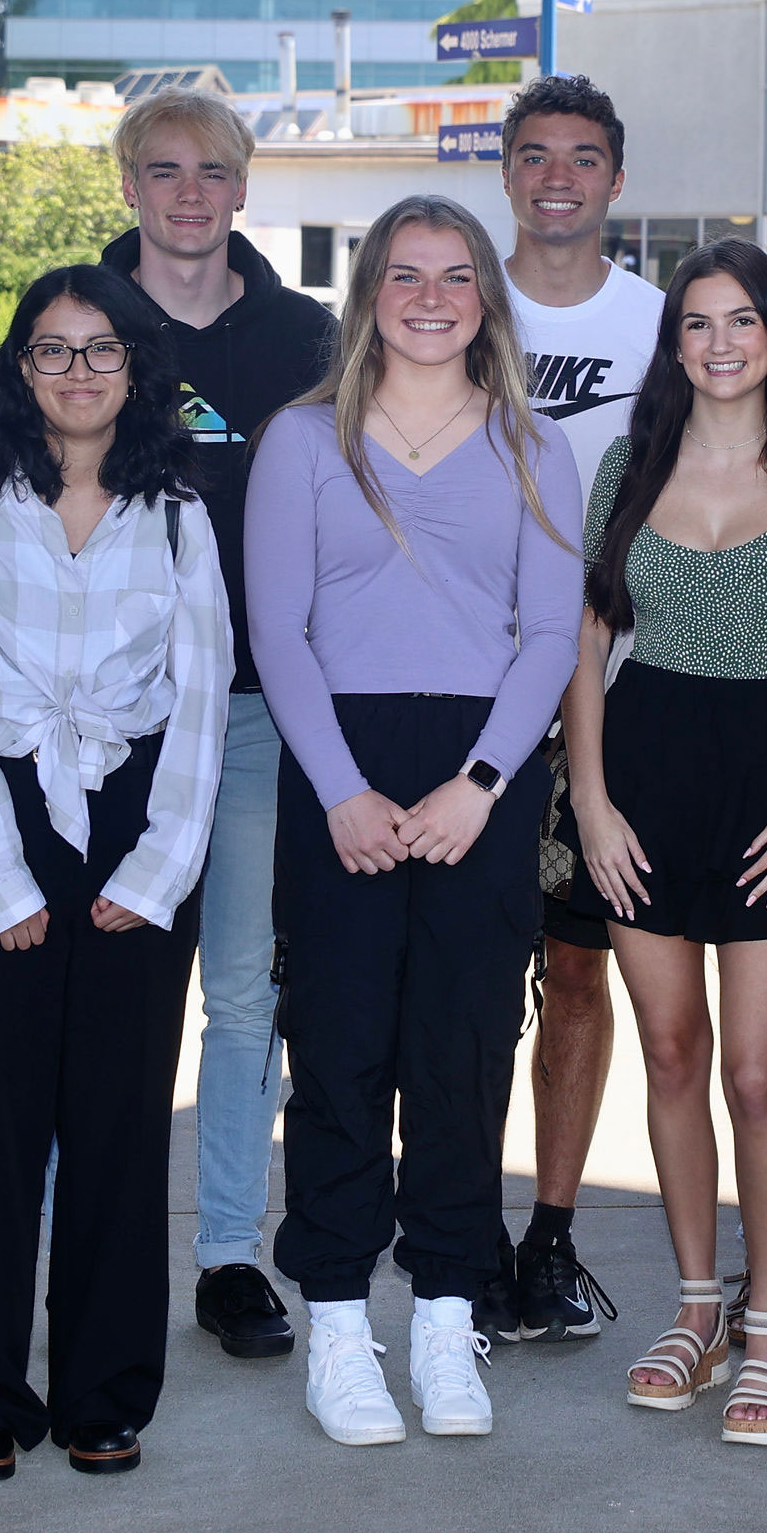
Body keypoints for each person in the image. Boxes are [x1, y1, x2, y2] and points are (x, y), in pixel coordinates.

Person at [249, 194, 582, 1446]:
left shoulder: (535, 444)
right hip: (337, 765)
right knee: (338, 1056)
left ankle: (448, 1312)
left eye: (455, 275)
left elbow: (550, 632)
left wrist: (482, 785)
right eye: (405, 274)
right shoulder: (301, 440)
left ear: (487, 296)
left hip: (480, 776)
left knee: (462, 1053)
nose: (431, 296)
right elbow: (276, 628)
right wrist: (340, 788)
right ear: (370, 293)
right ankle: (340, 1321)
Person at [0, 264, 232, 1480]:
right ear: (19, 370)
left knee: (117, 1121)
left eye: (104, 352)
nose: (80, 373)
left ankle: (104, 1390)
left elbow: (201, 703)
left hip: (136, 821)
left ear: (139, 372)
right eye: (53, 350)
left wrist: (155, 873)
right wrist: (0, 882)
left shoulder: (179, 516)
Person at [565, 239, 767, 1448]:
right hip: (640, 775)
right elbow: (584, 651)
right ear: (673, 341)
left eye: (744, 321)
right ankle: (696, 1312)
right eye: (699, 323)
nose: (722, 342)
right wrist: (589, 798)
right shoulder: (625, 470)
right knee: (672, 1055)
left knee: (756, 1070)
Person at [94, 89, 334, 1363]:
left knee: (243, 995)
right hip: (103, 719)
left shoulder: (304, 337)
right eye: (164, 169)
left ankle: (231, 1254)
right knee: (114, 991)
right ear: (129, 183)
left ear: (244, 190)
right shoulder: (78, 316)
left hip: (251, 711)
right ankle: (97, 1240)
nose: (190, 192)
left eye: (213, 172)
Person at [492, 75, 658, 1342]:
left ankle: (547, 1235)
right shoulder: (444, 301)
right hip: (455, 688)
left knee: (577, 974)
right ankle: (443, 1221)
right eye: (536, 154)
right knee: (451, 986)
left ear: (614, 178)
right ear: (507, 170)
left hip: (611, 698)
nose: (559, 176)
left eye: (583, 157)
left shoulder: (662, 327)